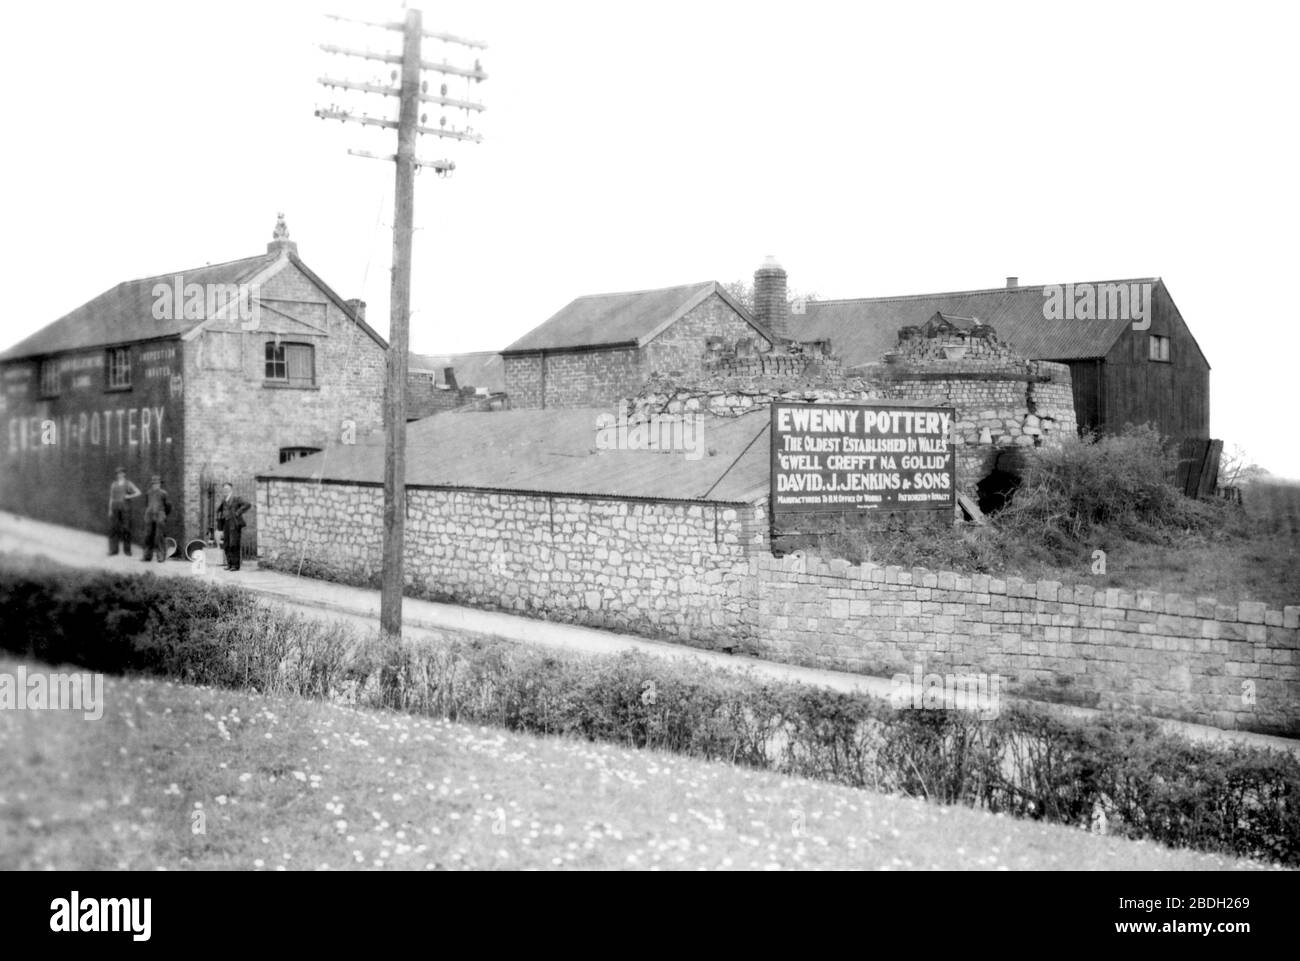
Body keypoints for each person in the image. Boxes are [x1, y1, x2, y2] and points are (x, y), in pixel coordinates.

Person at [216, 482, 251, 571]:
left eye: (227, 489)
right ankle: (229, 564)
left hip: (234, 523)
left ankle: (235, 565)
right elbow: (219, 510)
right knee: (226, 544)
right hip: (226, 524)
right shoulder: (224, 500)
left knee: (234, 544)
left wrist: (237, 513)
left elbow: (247, 504)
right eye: (224, 489)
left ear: (231, 489)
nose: (225, 490)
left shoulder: (236, 498)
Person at [107, 467, 141, 556]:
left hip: (125, 509)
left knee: (126, 528)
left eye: (121, 473)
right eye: (118, 473)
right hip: (115, 508)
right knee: (114, 529)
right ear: (117, 475)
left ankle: (127, 551)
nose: (120, 475)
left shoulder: (128, 483)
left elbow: (138, 492)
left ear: (124, 474)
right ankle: (113, 550)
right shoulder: (114, 484)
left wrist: (129, 496)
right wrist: (110, 509)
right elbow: (111, 497)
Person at [139, 475, 172, 563]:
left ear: (160, 484)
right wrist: (148, 512)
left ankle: (161, 556)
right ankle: (147, 556)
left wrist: (164, 515)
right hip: (149, 516)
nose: (155, 485)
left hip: (159, 516)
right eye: (154, 483)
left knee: (159, 536)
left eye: (157, 483)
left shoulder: (164, 493)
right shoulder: (148, 493)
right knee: (148, 536)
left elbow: (168, 506)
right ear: (152, 484)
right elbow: (147, 504)